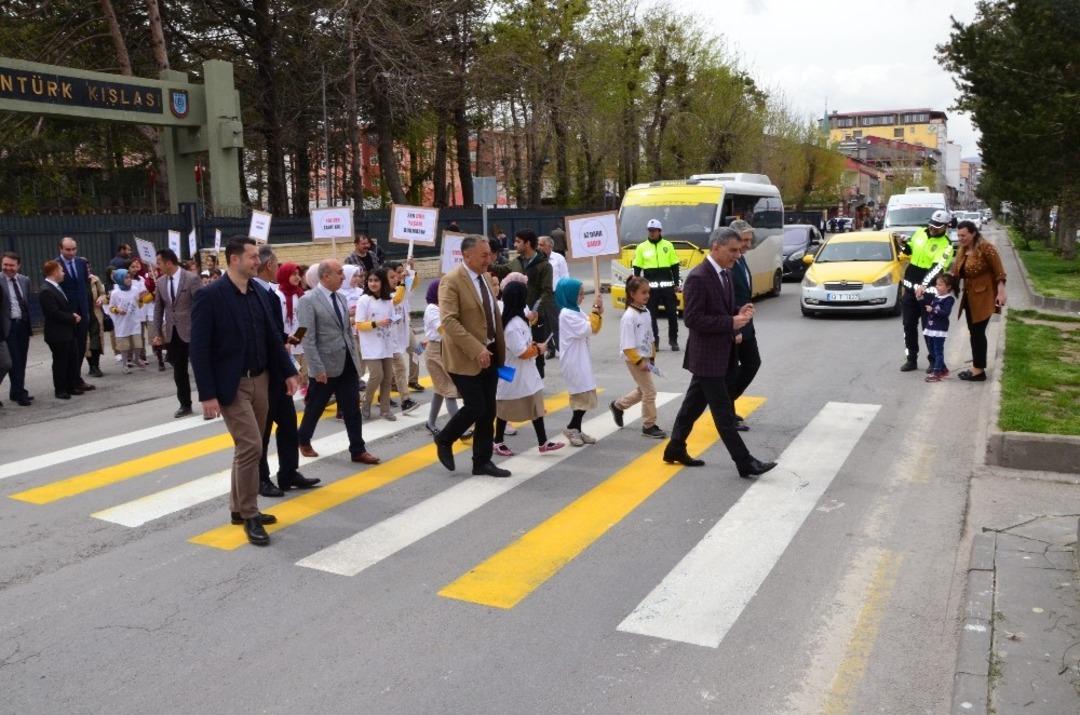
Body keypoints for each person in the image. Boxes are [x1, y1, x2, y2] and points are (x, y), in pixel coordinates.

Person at [190, 237, 300, 546]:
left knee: (248, 446)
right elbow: (199, 349)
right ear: (234, 260)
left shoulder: (259, 293)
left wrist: (288, 372)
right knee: (252, 444)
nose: (258, 261)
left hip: (261, 379)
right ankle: (250, 513)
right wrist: (207, 394)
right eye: (252, 257)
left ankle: (238, 508)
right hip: (232, 385)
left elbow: (272, 338)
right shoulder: (210, 296)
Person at [661, 228, 776, 479]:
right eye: (733, 250)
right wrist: (730, 322)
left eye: (739, 250)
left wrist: (738, 311)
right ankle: (745, 462)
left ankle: (675, 447)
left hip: (722, 353)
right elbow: (692, 319)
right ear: (716, 247)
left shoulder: (725, 273)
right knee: (724, 414)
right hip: (707, 357)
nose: (738, 255)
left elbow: (723, 308)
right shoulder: (698, 277)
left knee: (692, 407)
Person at [433, 235, 510, 478]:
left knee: (488, 411)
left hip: (491, 353)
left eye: (489, 254)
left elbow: (490, 314)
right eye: (484, 255)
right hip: (465, 357)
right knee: (476, 406)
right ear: (467, 256)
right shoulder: (451, 281)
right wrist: (477, 349)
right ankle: (444, 439)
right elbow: (449, 321)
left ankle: (482, 462)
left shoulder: (484, 277)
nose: (489, 259)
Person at [295, 259, 381, 466]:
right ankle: (303, 439)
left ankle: (358, 450)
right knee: (315, 406)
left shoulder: (341, 297)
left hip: (347, 363)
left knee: (352, 408)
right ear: (326, 276)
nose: (343, 276)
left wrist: (355, 359)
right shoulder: (308, 300)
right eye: (339, 272)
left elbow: (346, 331)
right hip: (325, 366)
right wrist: (316, 368)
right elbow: (307, 337)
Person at [492, 281, 564, 456]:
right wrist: (538, 349)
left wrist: (534, 345)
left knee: (535, 406)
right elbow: (521, 352)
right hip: (513, 373)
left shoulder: (518, 320)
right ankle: (497, 441)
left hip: (525, 373)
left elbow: (525, 345)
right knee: (505, 409)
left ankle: (543, 442)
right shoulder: (512, 325)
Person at [610, 276, 666, 438]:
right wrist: (640, 361)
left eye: (648, 292)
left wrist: (652, 357)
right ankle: (649, 425)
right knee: (650, 392)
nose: (647, 295)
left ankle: (618, 406)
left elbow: (650, 337)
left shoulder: (646, 311)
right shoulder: (629, 317)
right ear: (632, 294)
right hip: (635, 360)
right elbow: (627, 346)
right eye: (643, 292)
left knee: (644, 390)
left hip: (645, 358)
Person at [493, 229, 555, 377]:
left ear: (527, 244)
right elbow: (501, 270)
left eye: (518, 241)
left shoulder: (544, 266)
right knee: (517, 348)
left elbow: (547, 292)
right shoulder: (516, 262)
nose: (515, 244)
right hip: (516, 313)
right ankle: (520, 378)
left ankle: (538, 378)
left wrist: (535, 311)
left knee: (536, 348)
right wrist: (485, 262)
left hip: (535, 317)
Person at [899, 209, 954, 371]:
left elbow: (937, 268)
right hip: (910, 289)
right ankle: (911, 358)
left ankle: (933, 360)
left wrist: (924, 285)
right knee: (908, 325)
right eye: (931, 225)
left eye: (937, 226)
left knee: (929, 328)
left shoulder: (946, 245)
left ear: (945, 226)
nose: (932, 228)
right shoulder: (919, 233)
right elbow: (910, 251)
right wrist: (903, 245)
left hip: (928, 292)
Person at [951, 221, 1006, 382]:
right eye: (958, 235)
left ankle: (979, 370)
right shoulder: (962, 250)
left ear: (973, 233)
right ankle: (977, 367)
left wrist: (1001, 293)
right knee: (974, 332)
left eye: (963, 235)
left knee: (978, 332)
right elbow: (955, 272)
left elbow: (999, 272)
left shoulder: (986, 248)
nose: (960, 238)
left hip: (985, 296)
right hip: (969, 297)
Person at [153, 248, 200, 418]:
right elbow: (158, 309)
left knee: (200, 369)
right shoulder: (160, 282)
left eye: (159, 263)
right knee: (179, 371)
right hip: (173, 333)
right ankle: (185, 404)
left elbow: (200, 305)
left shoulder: (191, 278)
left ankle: (209, 401)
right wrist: (157, 333)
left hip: (193, 332)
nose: (157, 266)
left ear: (168, 263)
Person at [557, 276, 603, 447]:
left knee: (586, 394)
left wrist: (597, 312)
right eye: (580, 294)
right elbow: (589, 328)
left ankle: (576, 428)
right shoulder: (567, 314)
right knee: (581, 396)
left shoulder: (575, 310)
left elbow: (593, 327)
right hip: (574, 360)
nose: (583, 297)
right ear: (569, 294)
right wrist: (596, 309)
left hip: (581, 358)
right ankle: (572, 428)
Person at [725, 219, 761, 430]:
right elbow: (727, 298)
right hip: (735, 324)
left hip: (746, 323)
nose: (748, 244)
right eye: (745, 240)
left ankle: (725, 402)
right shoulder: (728, 263)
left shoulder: (741, 259)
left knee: (752, 363)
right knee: (731, 370)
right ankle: (726, 411)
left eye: (749, 240)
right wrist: (735, 327)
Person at [632, 218, 681, 352]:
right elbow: (637, 266)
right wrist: (637, 284)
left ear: (660, 231)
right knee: (651, 316)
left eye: (654, 230)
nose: (652, 233)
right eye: (650, 230)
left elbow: (674, 265)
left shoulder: (668, 245)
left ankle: (673, 341)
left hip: (667, 288)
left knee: (672, 314)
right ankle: (655, 342)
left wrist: (676, 283)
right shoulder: (642, 247)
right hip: (650, 289)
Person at [422, 278, 462, 436]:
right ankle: (459, 428)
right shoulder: (432, 309)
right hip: (435, 352)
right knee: (449, 390)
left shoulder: (444, 307)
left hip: (445, 350)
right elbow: (443, 329)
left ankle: (430, 423)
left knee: (440, 389)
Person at [356, 269, 397, 420]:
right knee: (377, 375)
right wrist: (376, 323)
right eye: (370, 280)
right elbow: (359, 324)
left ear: (382, 282)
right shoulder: (364, 300)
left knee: (387, 377)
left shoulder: (388, 300)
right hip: (370, 345)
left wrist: (393, 320)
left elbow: (392, 316)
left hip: (386, 343)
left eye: (376, 280)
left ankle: (385, 410)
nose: (373, 283)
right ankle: (366, 403)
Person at [56, 237, 95, 391]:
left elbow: (85, 285)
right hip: (67, 313)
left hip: (83, 311)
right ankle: (66, 381)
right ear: (60, 249)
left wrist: (88, 309)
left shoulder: (81, 263)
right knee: (68, 349)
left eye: (74, 249)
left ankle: (76, 378)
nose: (71, 253)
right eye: (68, 250)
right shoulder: (55, 265)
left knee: (80, 346)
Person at [39, 260, 82, 400]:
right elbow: (53, 313)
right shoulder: (46, 290)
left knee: (71, 359)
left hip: (67, 332)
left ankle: (71, 385)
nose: (64, 273)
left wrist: (71, 315)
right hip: (57, 334)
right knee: (61, 362)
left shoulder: (56, 287)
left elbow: (62, 307)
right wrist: (72, 318)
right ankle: (60, 389)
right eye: (62, 270)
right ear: (54, 272)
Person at [384, 261, 420, 413]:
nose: (398, 276)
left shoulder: (402, 288)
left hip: (405, 330)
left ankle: (412, 380)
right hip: (390, 336)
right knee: (395, 369)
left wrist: (411, 269)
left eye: (400, 273)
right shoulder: (385, 295)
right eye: (394, 275)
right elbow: (397, 299)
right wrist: (404, 282)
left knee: (417, 351)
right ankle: (403, 399)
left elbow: (414, 283)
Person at [2, 252, 33, 406]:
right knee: (13, 361)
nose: (8, 268)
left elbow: (26, 301)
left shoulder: (24, 280)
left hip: (23, 325)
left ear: (18, 266)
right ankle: (20, 393)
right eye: (5, 264)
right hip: (7, 327)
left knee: (22, 359)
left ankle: (16, 391)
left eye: (11, 265)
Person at [107, 269, 144, 374]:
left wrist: (141, 299)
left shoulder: (135, 290)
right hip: (122, 322)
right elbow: (111, 308)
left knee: (137, 343)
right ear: (120, 280)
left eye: (129, 277)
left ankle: (136, 358)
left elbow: (140, 305)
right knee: (124, 345)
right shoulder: (115, 293)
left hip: (134, 321)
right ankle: (124, 364)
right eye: (126, 278)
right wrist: (117, 310)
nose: (129, 279)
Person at [922, 273, 956, 383]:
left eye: (940, 285)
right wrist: (920, 298)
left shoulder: (949, 299)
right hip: (931, 327)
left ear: (948, 287)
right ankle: (943, 369)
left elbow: (945, 313)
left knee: (938, 351)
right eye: (937, 284)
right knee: (931, 350)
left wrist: (933, 310)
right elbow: (928, 306)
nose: (937, 287)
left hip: (940, 329)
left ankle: (937, 373)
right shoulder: (936, 297)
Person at [538, 235, 568, 357]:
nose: (539, 247)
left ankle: (561, 348)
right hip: (541, 295)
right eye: (538, 245)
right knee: (544, 323)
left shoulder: (558, 258)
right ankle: (550, 349)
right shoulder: (537, 259)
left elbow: (565, 276)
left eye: (541, 245)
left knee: (556, 322)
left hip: (555, 294)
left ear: (550, 246)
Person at [85, 264, 107, 377]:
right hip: (83, 314)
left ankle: (96, 366)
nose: (88, 270)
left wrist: (101, 299)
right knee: (86, 341)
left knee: (96, 339)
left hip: (95, 313)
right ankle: (91, 366)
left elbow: (103, 294)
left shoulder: (95, 280)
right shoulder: (75, 281)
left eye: (89, 268)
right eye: (85, 268)